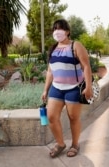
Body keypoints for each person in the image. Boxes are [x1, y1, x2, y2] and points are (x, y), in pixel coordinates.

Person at [41, 19, 93, 158]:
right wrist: (46, 89)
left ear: (67, 31)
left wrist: (88, 87)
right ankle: (60, 143)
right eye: (55, 29)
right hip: (56, 88)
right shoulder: (53, 48)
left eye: (60, 29)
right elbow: (50, 71)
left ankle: (75, 144)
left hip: (74, 88)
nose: (57, 31)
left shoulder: (75, 45)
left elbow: (86, 66)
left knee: (73, 118)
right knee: (51, 117)